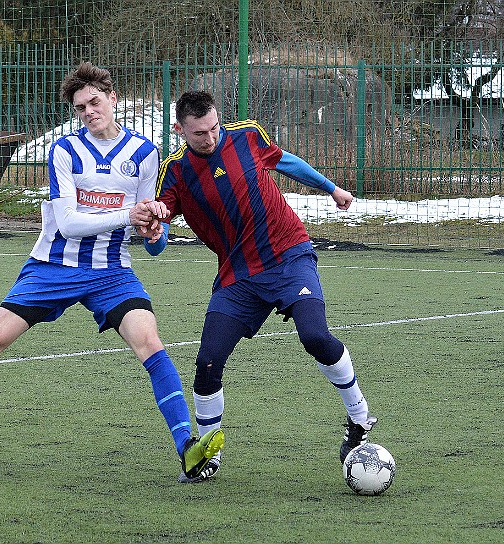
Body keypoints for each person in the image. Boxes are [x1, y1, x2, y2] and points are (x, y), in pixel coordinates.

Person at [0, 64, 223, 480]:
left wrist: (154, 229)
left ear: (112, 98)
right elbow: (68, 224)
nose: (89, 112)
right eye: (81, 108)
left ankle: (186, 447)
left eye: (95, 102)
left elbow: (153, 240)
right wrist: (128, 215)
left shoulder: (144, 154)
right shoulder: (63, 150)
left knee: (150, 343)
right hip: (53, 266)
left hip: (111, 271)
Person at [148, 90, 376, 483]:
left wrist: (331, 188)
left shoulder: (247, 135)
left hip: (288, 255)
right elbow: (159, 233)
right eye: (199, 132)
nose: (210, 137)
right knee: (207, 363)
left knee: (316, 337)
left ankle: (358, 417)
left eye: (214, 127)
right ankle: (207, 454)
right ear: (180, 129)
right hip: (237, 276)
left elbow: (286, 162)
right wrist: (154, 233)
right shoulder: (175, 172)